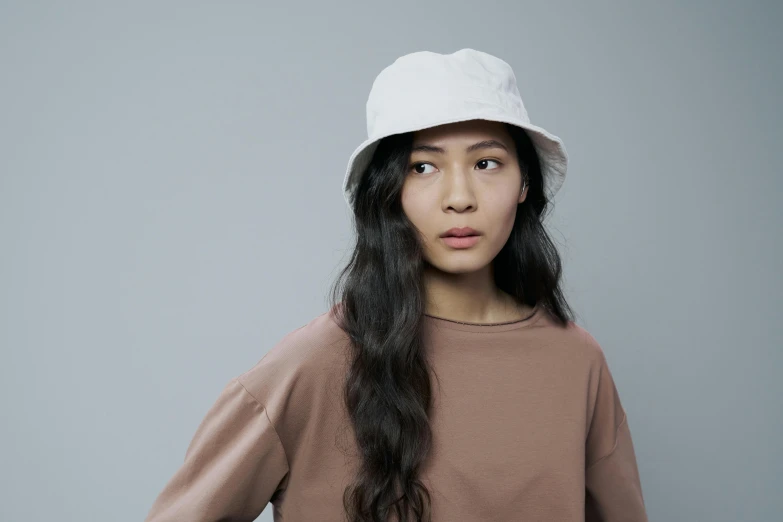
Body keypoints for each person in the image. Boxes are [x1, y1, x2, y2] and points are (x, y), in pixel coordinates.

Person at [143, 49, 648, 522]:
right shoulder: (315, 362)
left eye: (486, 162)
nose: (459, 197)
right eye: (422, 167)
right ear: (389, 192)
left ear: (524, 184)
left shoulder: (576, 362)